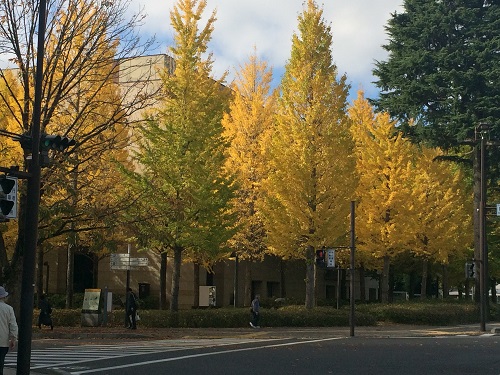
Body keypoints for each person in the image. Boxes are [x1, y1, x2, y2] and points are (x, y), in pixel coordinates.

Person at [0, 286, 17, 375]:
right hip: (2, 342)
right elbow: (13, 325)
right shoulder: (9, 309)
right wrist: (13, 339)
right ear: (3, 297)